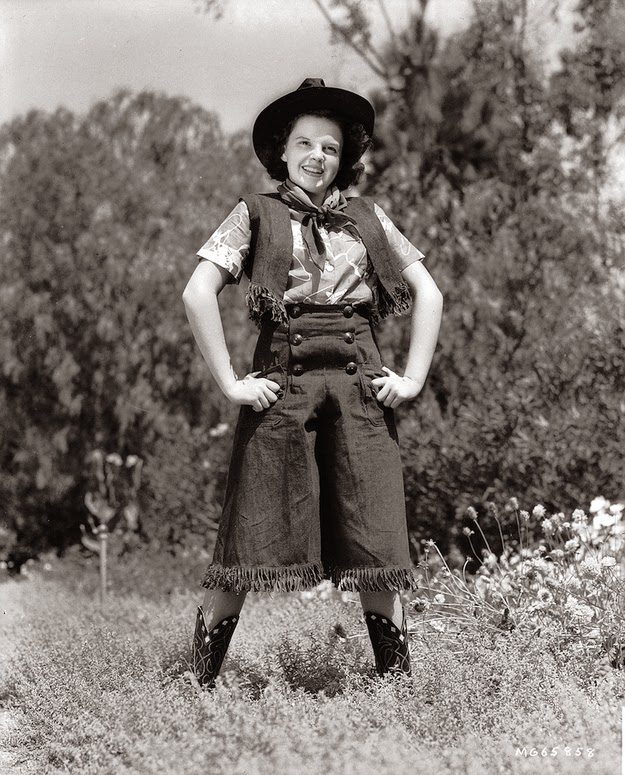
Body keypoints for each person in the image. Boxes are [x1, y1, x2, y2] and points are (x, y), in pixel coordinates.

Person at [182, 78, 443, 688]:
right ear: (282, 150)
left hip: (361, 389)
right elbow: (198, 291)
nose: (316, 156)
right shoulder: (255, 214)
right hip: (281, 385)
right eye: (305, 143)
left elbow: (429, 291)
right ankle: (197, 686)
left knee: (377, 540)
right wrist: (230, 382)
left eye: (329, 147)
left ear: (343, 157)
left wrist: (411, 379)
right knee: (247, 536)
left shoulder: (369, 219)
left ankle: (396, 697)